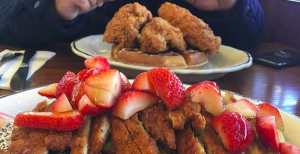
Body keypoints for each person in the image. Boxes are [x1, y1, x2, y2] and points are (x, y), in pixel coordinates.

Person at [0, 0, 264, 48]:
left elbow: (250, 35)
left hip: (191, 93)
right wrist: (54, 9)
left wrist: (232, 8)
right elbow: (5, 16)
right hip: (80, 81)